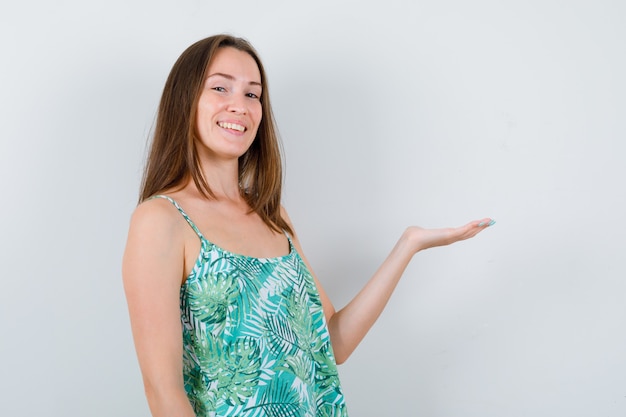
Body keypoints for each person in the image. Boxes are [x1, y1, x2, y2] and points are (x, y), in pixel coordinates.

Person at [122, 34, 494, 417]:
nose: (240, 106)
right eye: (220, 88)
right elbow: (163, 394)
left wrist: (408, 246)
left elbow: (332, 343)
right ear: (185, 101)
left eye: (253, 95)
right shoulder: (162, 220)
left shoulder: (273, 217)